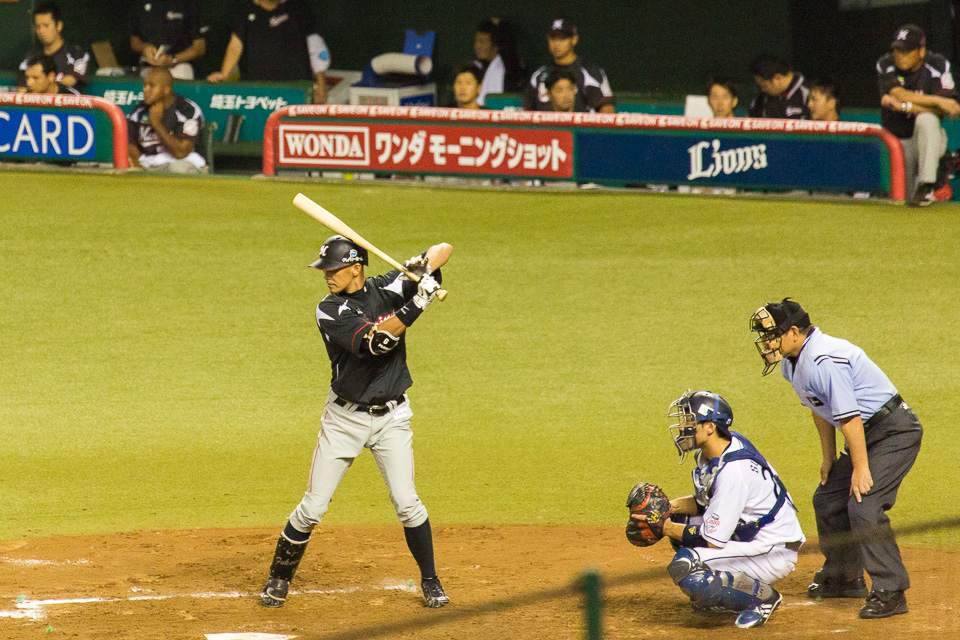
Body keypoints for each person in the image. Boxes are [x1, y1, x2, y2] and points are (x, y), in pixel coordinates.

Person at [259, 236, 453, 610]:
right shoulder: (329, 310)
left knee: (407, 502)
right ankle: (278, 578)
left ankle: (430, 581)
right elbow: (376, 343)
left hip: (393, 417)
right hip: (344, 420)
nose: (327, 276)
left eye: (333, 269)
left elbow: (443, 248)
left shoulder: (388, 286)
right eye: (325, 270)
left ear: (355, 268)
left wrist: (419, 267)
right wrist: (419, 301)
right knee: (313, 508)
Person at [750, 299, 923, 620]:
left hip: (894, 431)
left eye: (772, 334)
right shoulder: (792, 362)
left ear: (792, 332)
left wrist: (859, 468)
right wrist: (829, 458)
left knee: (864, 504)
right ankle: (844, 577)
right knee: (828, 498)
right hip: (866, 434)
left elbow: (850, 419)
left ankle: (891, 590)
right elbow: (820, 409)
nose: (767, 342)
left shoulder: (823, 359)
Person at [633, 391, 804, 629]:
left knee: (687, 566)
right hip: (754, 533)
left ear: (710, 427)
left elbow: (711, 539)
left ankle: (763, 597)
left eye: (689, 422)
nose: (683, 427)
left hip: (771, 550)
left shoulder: (734, 473)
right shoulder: (721, 449)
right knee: (680, 519)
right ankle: (724, 590)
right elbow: (706, 501)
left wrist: (665, 527)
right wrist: (665, 508)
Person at [876, 24, 960, 206]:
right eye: (897, 50)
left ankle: (928, 184)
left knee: (927, 119)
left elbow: (949, 109)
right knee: (904, 202)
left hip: (930, 141)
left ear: (921, 51)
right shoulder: (886, 63)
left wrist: (906, 107)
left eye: (906, 51)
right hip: (898, 144)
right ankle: (926, 186)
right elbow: (899, 93)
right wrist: (937, 101)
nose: (900, 55)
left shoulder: (937, 64)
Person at [207, 0, 330, 104]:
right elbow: (235, 45)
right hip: (258, 92)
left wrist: (321, 84)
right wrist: (224, 73)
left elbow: (316, 46)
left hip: (297, 90)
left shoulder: (297, 7)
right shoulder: (243, 11)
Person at [523, 19, 614, 113]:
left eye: (562, 39)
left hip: (580, 127)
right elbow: (528, 112)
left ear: (574, 39)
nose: (556, 44)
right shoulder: (539, 75)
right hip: (547, 127)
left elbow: (607, 111)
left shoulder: (590, 72)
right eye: (553, 38)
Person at [127, 68, 206, 173]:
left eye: (152, 86)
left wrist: (157, 124)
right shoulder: (139, 111)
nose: (145, 90)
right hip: (149, 166)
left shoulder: (187, 110)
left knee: (178, 168)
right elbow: (130, 145)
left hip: (183, 164)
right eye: (145, 85)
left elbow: (181, 153)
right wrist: (137, 165)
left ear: (166, 89)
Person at [17, 1, 90, 94]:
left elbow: (70, 81)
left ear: (59, 26)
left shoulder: (76, 53)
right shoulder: (31, 57)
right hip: (37, 107)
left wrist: (48, 79)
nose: (41, 31)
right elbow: (22, 90)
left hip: (67, 106)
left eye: (46, 26)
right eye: (38, 26)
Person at [129, 0, 208, 80]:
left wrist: (172, 60)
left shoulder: (188, 4)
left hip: (179, 66)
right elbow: (134, 42)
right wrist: (146, 48)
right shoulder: (140, 4)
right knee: (147, 86)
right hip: (149, 66)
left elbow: (199, 48)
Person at [472, 18, 525, 107]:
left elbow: (509, 43)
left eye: (482, 42)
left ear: (495, 45)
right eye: (476, 41)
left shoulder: (508, 66)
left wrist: (500, 24)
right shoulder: (475, 68)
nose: (477, 46)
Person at [748, 54, 810, 119]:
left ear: (778, 78)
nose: (763, 90)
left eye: (764, 86)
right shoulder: (762, 97)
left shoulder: (807, 93)